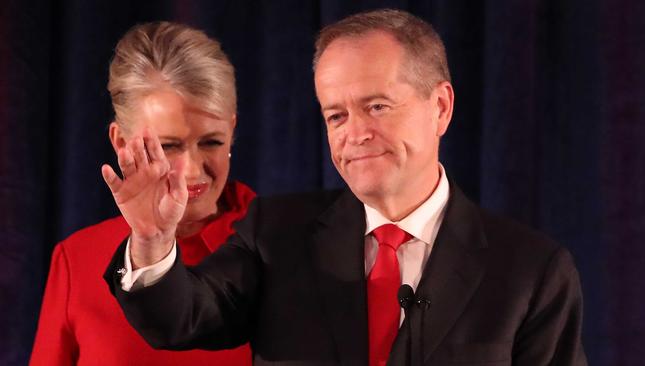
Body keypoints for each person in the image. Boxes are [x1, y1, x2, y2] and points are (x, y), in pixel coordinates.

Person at [104, 9, 587, 366]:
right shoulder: (275, 235)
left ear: (440, 107)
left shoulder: (532, 272)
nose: (354, 133)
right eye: (336, 115)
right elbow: (181, 319)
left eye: (376, 106)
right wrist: (151, 241)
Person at [30, 22, 254, 366]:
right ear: (121, 142)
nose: (191, 170)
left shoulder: (281, 248)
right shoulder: (78, 259)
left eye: (211, 142)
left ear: (233, 129)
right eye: (168, 146)